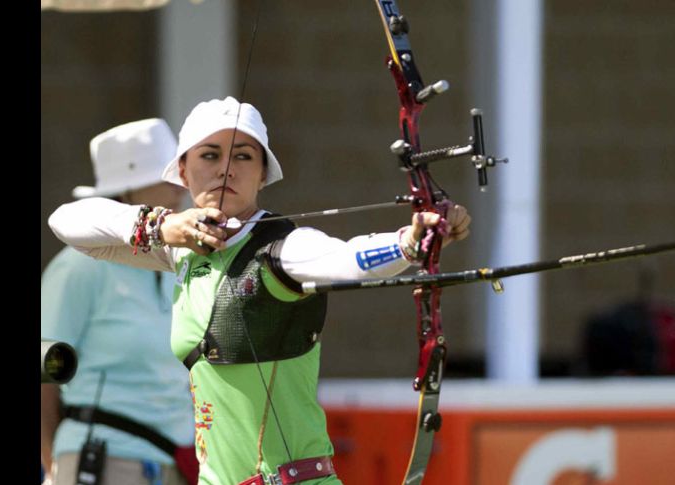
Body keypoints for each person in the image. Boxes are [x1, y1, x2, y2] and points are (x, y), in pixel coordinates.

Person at [49, 97, 471, 485]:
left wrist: (411, 242)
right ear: (183, 171)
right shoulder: (184, 253)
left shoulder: (282, 249)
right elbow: (67, 223)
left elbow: (344, 258)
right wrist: (159, 227)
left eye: (243, 157)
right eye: (210, 155)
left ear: (263, 174)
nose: (226, 168)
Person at [42, 118, 196, 485]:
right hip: (99, 463)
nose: (179, 191)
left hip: (168, 466)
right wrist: (54, 469)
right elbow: (43, 377)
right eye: (165, 178)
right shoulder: (80, 267)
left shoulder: (169, 261)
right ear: (128, 192)